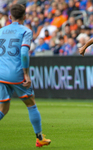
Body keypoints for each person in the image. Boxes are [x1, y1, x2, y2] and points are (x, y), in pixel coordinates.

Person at [0, 4, 51, 147]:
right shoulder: (26, 31)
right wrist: (26, 74)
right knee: (31, 103)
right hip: (15, 74)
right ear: (25, 17)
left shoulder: (1, 31)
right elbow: (24, 53)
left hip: (1, 74)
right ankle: (40, 138)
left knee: (3, 108)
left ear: (10, 17)